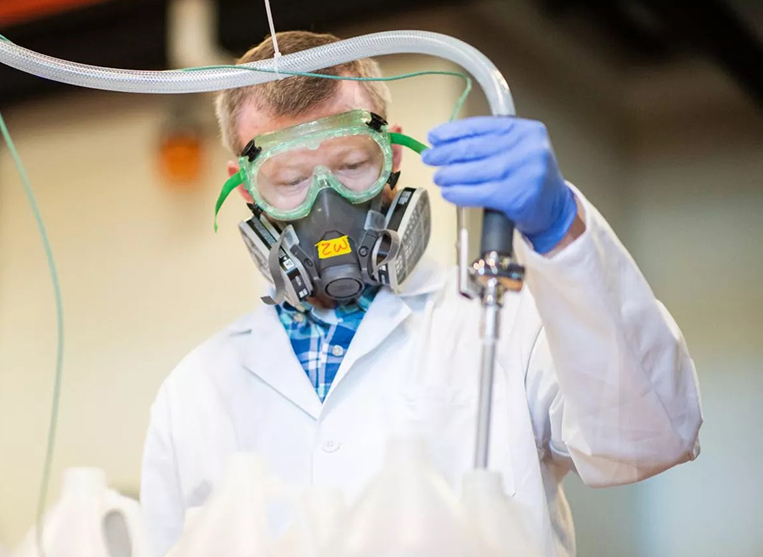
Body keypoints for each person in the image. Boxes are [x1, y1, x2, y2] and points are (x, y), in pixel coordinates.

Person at [139, 31, 702, 557]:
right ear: (245, 188)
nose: (326, 205)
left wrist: (562, 229)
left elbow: (649, 440)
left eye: (353, 164)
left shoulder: (506, 320)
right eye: (289, 181)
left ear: (394, 159)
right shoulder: (195, 392)